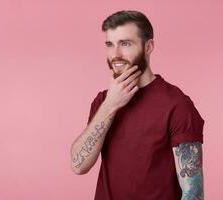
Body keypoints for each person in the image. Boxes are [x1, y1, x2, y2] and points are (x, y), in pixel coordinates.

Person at [70, 10, 205, 200]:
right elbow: (78, 165)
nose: (115, 54)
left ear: (148, 46)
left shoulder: (176, 105)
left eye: (125, 44)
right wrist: (111, 105)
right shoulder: (103, 102)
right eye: (110, 44)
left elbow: (193, 193)